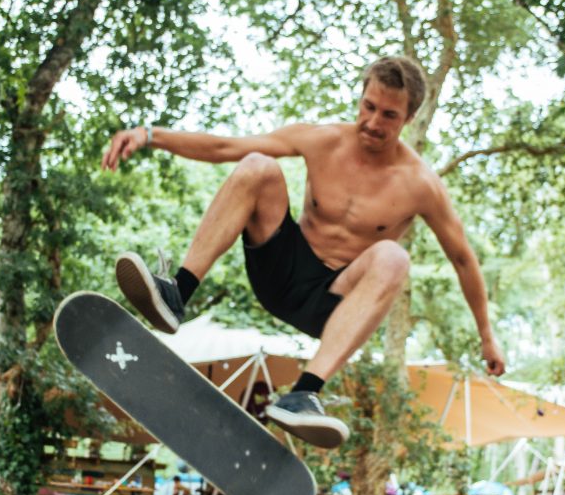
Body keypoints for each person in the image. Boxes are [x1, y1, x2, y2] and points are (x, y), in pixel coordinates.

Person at [102, 56, 506, 449]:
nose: (372, 122)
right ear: (361, 97)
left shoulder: (421, 184)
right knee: (258, 164)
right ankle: (177, 293)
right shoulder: (323, 140)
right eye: (369, 107)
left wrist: (487, 336)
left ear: (409, 119)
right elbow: (226, 146)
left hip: (334, 305)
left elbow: (463, 259)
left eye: (388, 115)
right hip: (280, 273)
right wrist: (150, 135)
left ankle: (304, 395)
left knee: (394, 258)